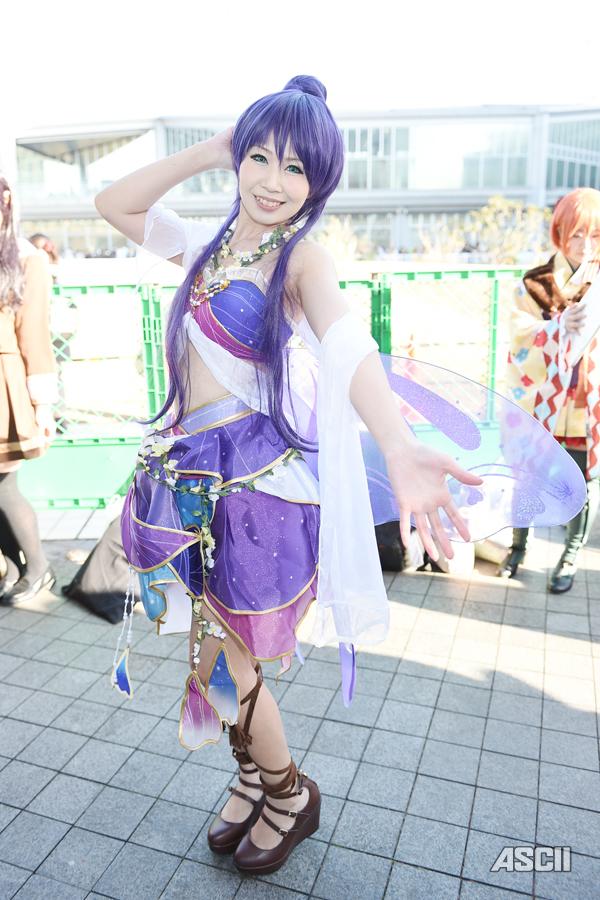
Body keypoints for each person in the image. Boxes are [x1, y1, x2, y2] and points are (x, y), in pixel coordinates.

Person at [95, 76, 580, 876]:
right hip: (190, 476)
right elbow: (114, 202)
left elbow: (348, 346)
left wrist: (397, 444)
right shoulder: (212, 244)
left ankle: (288, 791)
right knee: (211, 649)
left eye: (296, 168)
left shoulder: (301, 259)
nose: (273, 180)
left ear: (319, 182)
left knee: (227, 656)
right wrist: (212, 150)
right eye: (259, 157)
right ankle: (253, 777)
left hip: (253, 488)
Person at [498, 188, 600, 592]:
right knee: (527, 474)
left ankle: (570, 555)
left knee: (582, 481)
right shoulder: (535, 283)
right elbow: (518, 336)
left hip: (587, 403)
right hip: (540, 402)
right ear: (560, 233)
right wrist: (556, 328)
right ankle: (518, 547)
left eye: (595, 235)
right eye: (577, 234)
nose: (585, 245)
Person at [0, 178, 58, 603]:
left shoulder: (25, 258)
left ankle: (37, 570)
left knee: (4, 486)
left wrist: (43, 407)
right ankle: (16, 569)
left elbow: (34, 336)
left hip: (5, 386)